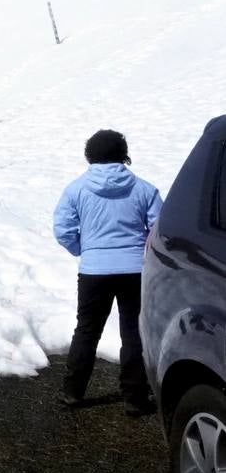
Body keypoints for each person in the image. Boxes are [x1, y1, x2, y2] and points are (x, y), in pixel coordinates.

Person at [53, 129, 163, 415]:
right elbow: (159, 230)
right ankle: (135, 398)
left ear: (89, 154)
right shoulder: (144, 189)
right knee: (134, 332)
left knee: (87, 331)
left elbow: (63, 230)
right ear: (123, 153)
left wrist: (85, 250)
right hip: (135, 271)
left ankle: (72, 394)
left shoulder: (75, 189)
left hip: (93, 272)